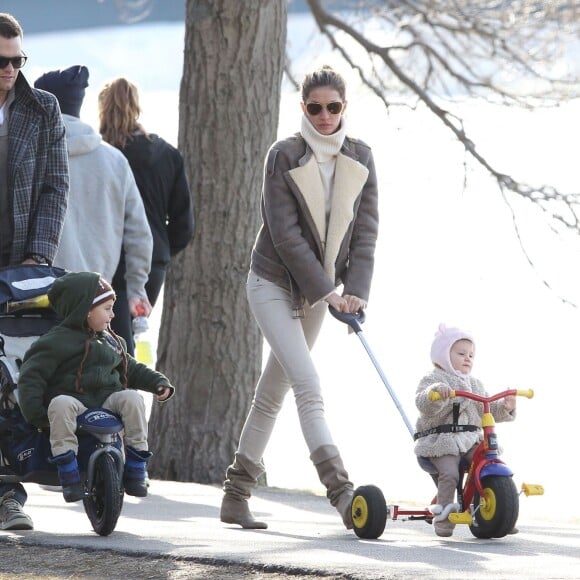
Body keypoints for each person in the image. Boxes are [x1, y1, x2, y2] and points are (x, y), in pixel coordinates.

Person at [220, 65, 379, 530]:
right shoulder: (283, 154)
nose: (325, 115)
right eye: (315, 107)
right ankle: (344, 495)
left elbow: (366, 235)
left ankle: (235, 496)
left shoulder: (362, 157)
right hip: (272, 283)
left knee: (271, 393)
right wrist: (330, 292)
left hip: (320, 295)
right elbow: (286, 237)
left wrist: (356, 295)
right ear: (303, 109)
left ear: (344, 108)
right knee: (308, 386)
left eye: (333, 107)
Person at [17, 272, 175, 503]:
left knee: (132, 398)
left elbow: (131, 368)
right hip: (74, 405)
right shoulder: (54, 342)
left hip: (106, 402)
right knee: (60, 403)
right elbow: (31, 378)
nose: (113, 314)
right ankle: (68, 471)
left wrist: (158, 383)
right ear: (85, 309)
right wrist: (35, 415)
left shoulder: (112, 340)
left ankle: (136, 465)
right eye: (107, 308)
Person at [0, 12, 69, 531]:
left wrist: (39, 256)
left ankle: (9, 493)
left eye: (18, 60)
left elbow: (54, 187)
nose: (10, 70)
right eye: (2, 61)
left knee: (10, 380)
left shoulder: (43, 109)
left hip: (20, 266)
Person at [33, 66, 154, 357]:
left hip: (37, 298)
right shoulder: (114, 161)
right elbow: (139, 234)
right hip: (97, 297)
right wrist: (136, 288)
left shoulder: (29, 155)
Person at [97, 77, 194, 315]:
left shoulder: (98, 156)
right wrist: (159, 248)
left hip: (105, 262)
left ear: (102, 109)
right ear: (136, 107)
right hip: (152, 264)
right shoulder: (167, 155)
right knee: (131, 335)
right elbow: (184, 225)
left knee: (104, 339)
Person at [414, 323, 517, 537]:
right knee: (450, 473)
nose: (468, 358)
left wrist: (505, 406)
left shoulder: (475, 384)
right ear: (443, 355)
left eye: (471, 354)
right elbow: (423, 402)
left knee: (488, 458)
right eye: (461, 353)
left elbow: (485, 407)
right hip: (441, 441)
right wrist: (436, 393)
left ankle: (501, 513)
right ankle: (443, 520)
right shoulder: (434, 379)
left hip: (468, 440)